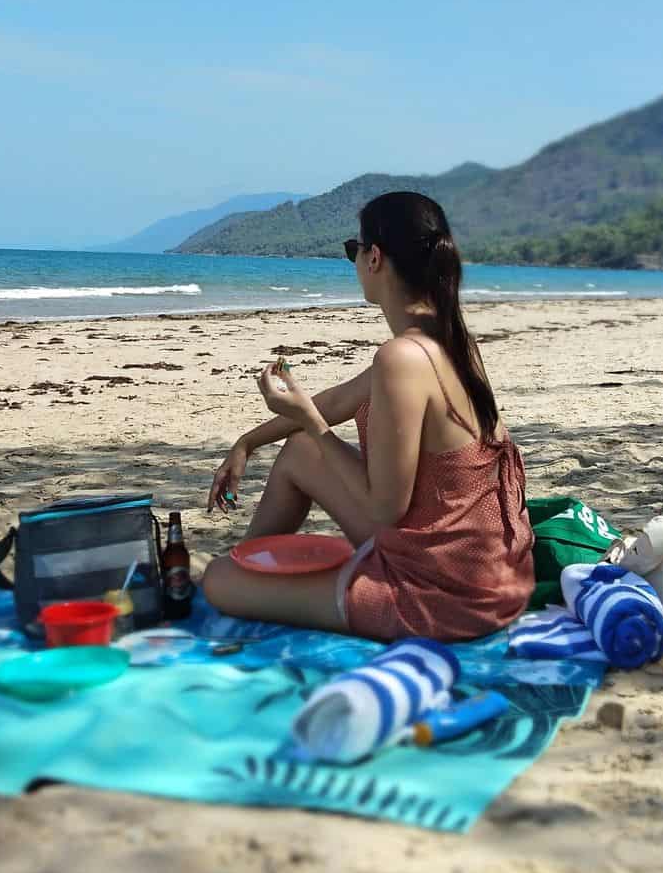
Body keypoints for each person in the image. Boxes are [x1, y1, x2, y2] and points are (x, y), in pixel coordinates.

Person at [201, 191, 535, 639]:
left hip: (446, 597)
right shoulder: (449, 341)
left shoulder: (402, 358)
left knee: (217, 582)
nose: (354, 262)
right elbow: (335, 403)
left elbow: (385, 508)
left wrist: (315, 426)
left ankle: (244, 576)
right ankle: (251, 563)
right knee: (301, 449)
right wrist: (247, 442)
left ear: (373, 257)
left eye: (352, 251)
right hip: (492, 573)